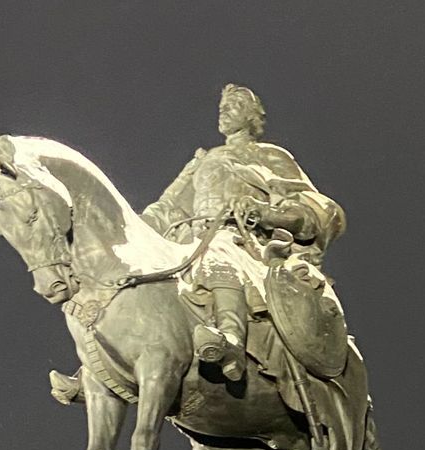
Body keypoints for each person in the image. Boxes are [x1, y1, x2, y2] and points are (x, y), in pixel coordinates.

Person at [142, 84, 344, 381]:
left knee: (217, 249)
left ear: (252, 117)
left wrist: (261, 211)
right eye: (222, 106)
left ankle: (231, 340)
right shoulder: (203, 160)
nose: (223, 110)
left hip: (243, 240)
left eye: (234, 105)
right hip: (189, 240)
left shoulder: (270, 156)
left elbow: (306, 210)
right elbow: (167, 207)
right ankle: (107, 366)